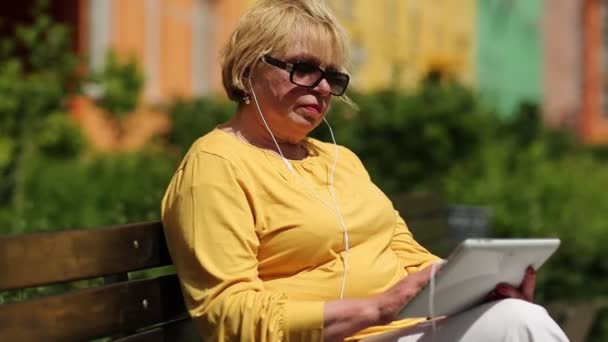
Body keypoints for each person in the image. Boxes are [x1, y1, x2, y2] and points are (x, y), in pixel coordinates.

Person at [161, 0, 569, 341]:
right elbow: (227, 315)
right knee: (521, 326)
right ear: (249, 67)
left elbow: (405, 254)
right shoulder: (215, 167)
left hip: (398, 330)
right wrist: (376, 308)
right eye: (303, 69)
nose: (322, 88)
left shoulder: (340, 161)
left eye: (333, 77)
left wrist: (473, 288)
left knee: (514, 314)